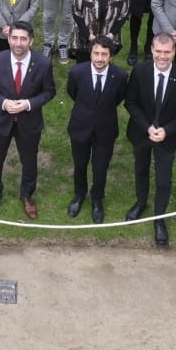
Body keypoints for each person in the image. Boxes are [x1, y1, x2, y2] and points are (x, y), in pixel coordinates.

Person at [125, 34, 176, 247]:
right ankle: (141, 203)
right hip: (141, 133)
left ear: (174, 52)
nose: (162, 56)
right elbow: (131, 103)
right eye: (158, 51)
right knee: (140, 169)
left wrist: (167, 130)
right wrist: (147, 127)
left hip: (168, 138)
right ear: (152, 50)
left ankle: (159, 218)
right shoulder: (140, 71)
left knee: (164, 180)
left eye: (167, 52)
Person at [0, 21, 56, 219]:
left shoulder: (43, 63)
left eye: (23, 39)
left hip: (29, 122)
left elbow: (50, 91)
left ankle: (27, 196)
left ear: (31, 41)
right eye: (14, 38)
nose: (18, 43)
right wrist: (4, 103)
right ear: (8, 39)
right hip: (1, 121)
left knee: (29, 162)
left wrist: (29, 104)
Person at [65, 37, 129, 222]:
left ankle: (97, 199)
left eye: (104, 54)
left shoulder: (120, 76)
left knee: (100, 168)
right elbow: (73, 93)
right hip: (80, 127)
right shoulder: (77, 72)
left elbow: (118, 98)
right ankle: (79, 195)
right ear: (90, 53)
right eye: (96, 53)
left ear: (111, 56)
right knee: (80, 165)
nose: (100, 58)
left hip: (105, 130)